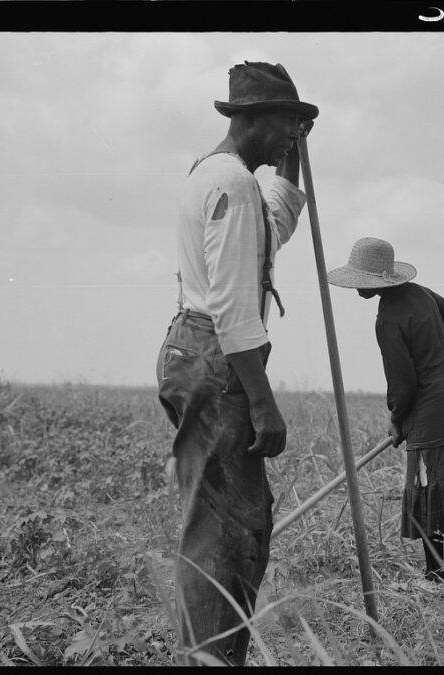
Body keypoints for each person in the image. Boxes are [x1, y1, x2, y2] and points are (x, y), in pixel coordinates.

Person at [156, 61, 317, 665]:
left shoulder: (227, 176)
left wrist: (293, 156)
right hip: (217, 356)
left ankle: (210, 653)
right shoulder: (231, 183)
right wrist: (263, 401)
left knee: (222, 521)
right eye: (285, 123)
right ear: (248, 118)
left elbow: (278, 217)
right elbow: (230, 307)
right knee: (228, 528)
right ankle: (212, 660)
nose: (290, 135)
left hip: (193, 349)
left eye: (300, 127)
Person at [327, 237, 444, 587]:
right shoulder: (421, 294)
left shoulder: (387, 320)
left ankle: (434, 577)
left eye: (363, 281)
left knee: (428, 488)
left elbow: (403, 384)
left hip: (433, 411)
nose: (358, 289)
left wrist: (396, 420)